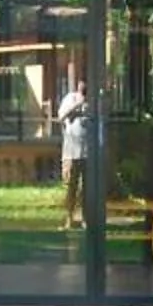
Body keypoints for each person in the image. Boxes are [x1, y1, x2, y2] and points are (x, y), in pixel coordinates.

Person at [57, 70, 91, 227]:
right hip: (71, 151)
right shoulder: (70, 98)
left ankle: (85, 218)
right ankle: (69, 217)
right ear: (78, 84)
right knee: (71, 185)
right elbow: (61, 117)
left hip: (88, 152)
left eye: (87, 83)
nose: (84, 85)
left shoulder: (94, 102)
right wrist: (77, 105)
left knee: (87, 188)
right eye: (82, 82)